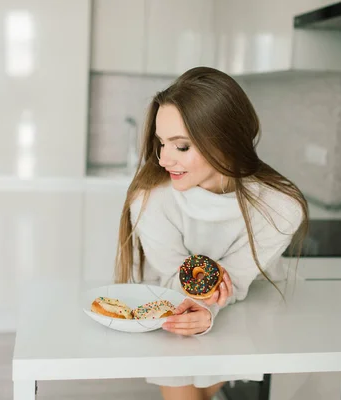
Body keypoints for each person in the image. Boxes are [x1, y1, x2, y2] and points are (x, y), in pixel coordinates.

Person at [114, 66, 309, 400]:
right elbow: (175, 278)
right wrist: (199, 310)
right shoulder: (151, 199)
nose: (163, 159)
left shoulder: (280, 207)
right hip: (170, 303)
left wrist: (209, 310)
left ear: (226, 142)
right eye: (161, 143)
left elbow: (237, 279)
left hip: (247, 308)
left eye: (182, 146)